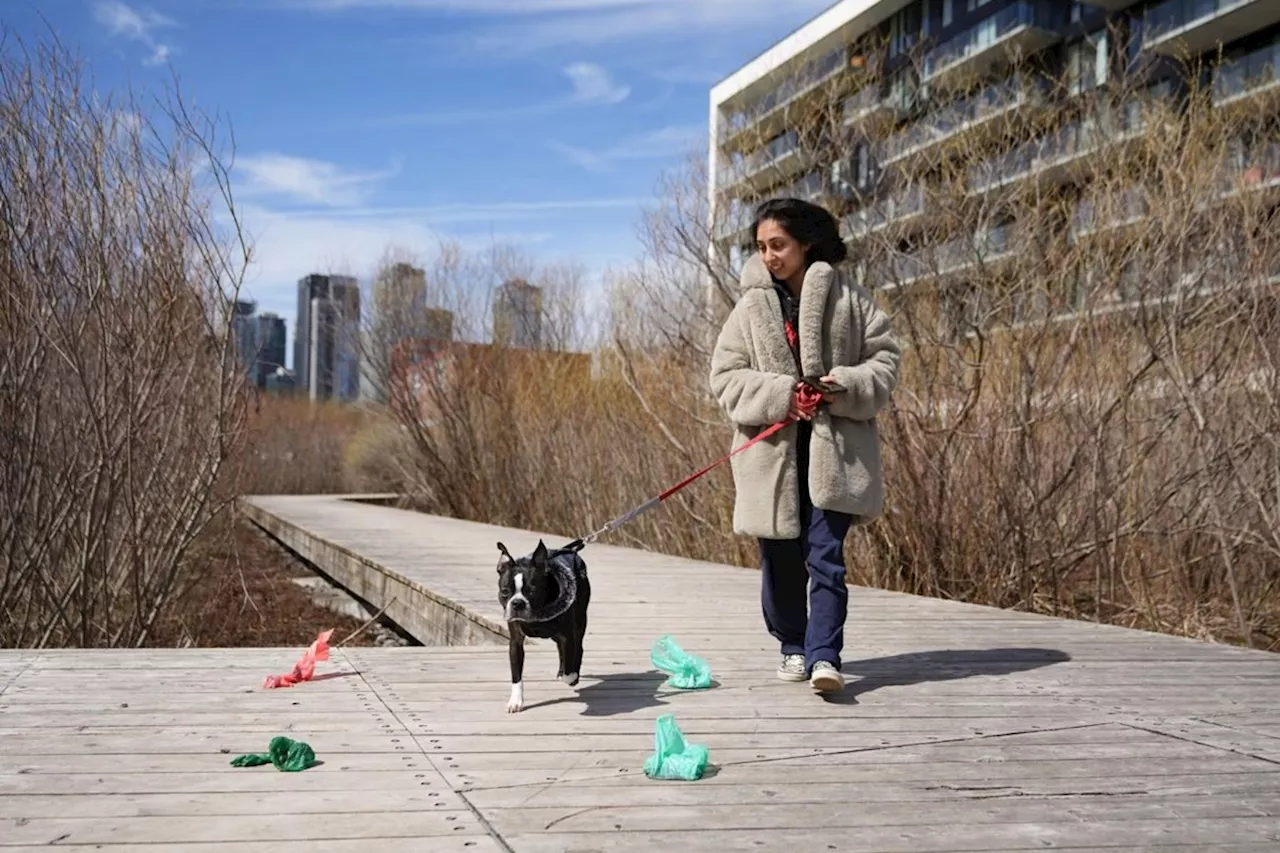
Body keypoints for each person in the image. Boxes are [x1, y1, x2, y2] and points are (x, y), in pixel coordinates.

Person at [709, 197, 900, 692]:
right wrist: (780, 396)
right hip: (772, 458)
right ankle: (792, 645)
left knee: (827, 556)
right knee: (780, 561)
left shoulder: (851, 300)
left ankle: (824, 657)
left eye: (779, 245)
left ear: (806, 243)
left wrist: (840, 385)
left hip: (836, 454)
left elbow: (884, 361)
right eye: (761, 247)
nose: (770, 256)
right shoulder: (748, 307)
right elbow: (725, 377)